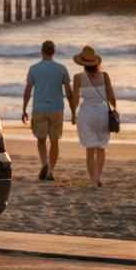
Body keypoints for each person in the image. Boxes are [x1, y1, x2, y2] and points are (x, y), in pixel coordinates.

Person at [21, 39, 71, 181]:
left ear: (41, 51)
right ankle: (50, 171)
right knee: (54, 141)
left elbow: (27, 91)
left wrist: (24, 109)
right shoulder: (62, 69)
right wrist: (73, 111)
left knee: (41, 139)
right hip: (56, 109)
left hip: (39, 108)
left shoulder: (34, 69)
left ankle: (44, 163)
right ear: (53, 52)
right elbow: (69, 93)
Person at [69, 45, 118, 187]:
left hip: (86, 114)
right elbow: (111, 97)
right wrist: (114, 109)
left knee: (90, 149)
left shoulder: (78, 78)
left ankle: (93, 180)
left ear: (82, 63)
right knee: (101, 147)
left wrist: (73, 114)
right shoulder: (105, 76)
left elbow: (75, 99)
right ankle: (98, 177)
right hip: (102, 114)